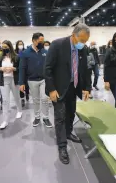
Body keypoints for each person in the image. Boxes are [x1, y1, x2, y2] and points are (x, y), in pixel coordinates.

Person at [44, 24, 91, 164]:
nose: (83, 44)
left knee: (71, 113)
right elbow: (47, 69)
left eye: (85, 41)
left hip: (73, 86)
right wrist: (51, 89)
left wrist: (87, 88)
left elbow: (86, 69)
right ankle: (62, 146)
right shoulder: (57, 45)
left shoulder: (83, 49)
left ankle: (69, 132)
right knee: (60, 117)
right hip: (58, 89)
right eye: (81, 40)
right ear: (73, 35)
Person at [19, 33, 52, 128]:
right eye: (40, 41)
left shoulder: (45, 52)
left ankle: (46, 117)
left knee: (45, 98)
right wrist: (21, 82)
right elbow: (22, 68)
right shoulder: (25, 53)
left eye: (43, 41)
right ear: (34, 40)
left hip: (44, 80)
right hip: (32, 80)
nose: (42, 43)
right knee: (36, 100)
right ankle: (37, 117)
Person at [0, 40, 23, 130]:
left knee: (16, 97)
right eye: (3, 47)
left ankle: (19, 110)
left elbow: (20, 68)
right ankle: (5, 120)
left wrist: (13, 68)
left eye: (6, 47)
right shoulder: (0, 57)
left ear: (10, 47)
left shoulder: (16, 57)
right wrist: (1, 68)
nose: (4, 49)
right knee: (5, 101)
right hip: (3, 80)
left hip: (13, 79)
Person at [15, 40, 29, 106]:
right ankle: (22, 98)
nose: (20, 45)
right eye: (19, 44)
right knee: (21, 84)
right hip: (18, 71)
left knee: (26, 84)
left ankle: (27, 93)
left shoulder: (26, 51)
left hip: (26, 71)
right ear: (17, 45)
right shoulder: (14, 52)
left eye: (21, 44)